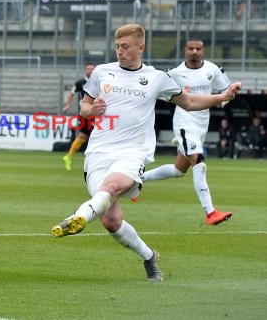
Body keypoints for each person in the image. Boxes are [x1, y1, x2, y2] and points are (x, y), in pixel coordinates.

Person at [50, 24, 241, 282]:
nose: (120, 52)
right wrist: (90, 109)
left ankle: (79, 217)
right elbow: (84, 106)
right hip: (98, 152)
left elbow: (191, 102)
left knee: (113, 185)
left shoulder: (157, 78)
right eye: (117, 47)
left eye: (125, 47)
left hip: (132, 152)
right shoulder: (101, 72)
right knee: (111, 221)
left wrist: (222, 97)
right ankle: (149, 256)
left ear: (140, 47)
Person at [142, 39, 233, 226]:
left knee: (179, 170)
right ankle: (210, 212)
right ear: (185, 51)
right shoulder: (175, 73)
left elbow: (226, 91)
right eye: (190, 48)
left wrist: (222, 100)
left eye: (198, 48)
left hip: (201, 125)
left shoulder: (212, 70)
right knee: (199, 162)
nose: (194, 51)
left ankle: (137, 179)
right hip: (184, 123)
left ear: (203, 50)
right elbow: (155, 88)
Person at [61, 63, 95, 171]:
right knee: (84, 136)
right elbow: (71, 93)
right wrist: (67, 105)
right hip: (85, 114)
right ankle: (69, 157)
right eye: (88, 69)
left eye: (92, 69)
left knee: (85, 136)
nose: (90, 71)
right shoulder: (80, 83)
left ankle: (69, 157)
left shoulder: (98, 82)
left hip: (97, 113)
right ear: (85, 70)